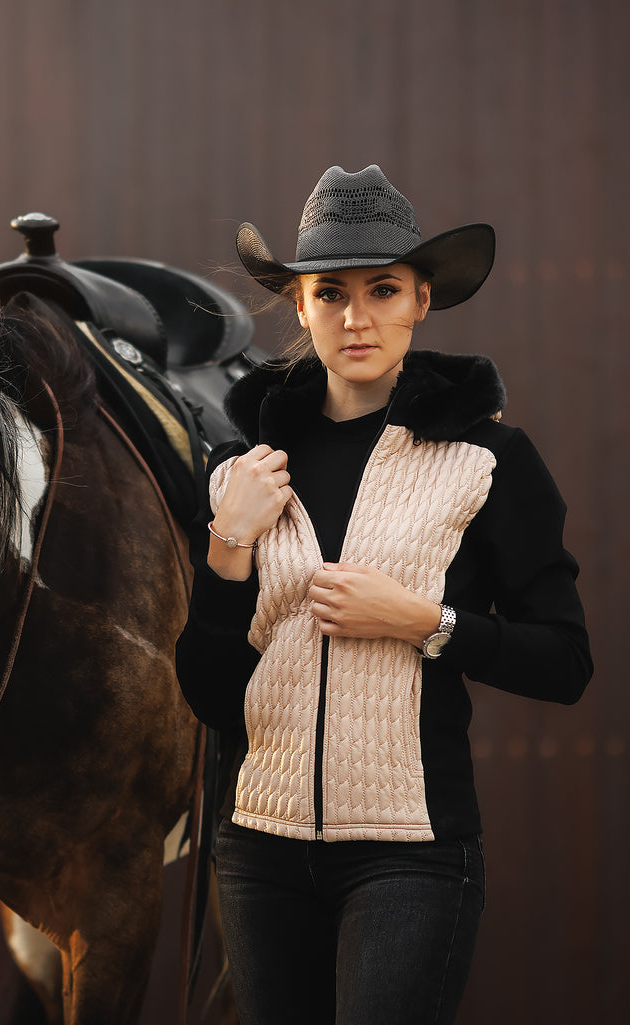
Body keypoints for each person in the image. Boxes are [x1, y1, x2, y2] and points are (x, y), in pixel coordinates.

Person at [175, 164, 592, 1025]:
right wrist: (229, 539)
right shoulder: (242, 471)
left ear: (421, 301)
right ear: (299, 306)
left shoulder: (486, 462)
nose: (355, 317)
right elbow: (212, 694)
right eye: (330, 293)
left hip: (412, 855)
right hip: (258, 850)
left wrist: (422, 623)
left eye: (383, 290)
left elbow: (566, 660)